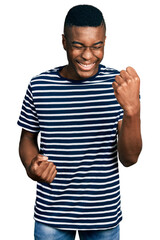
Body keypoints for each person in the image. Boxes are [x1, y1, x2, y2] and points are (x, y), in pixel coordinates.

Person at [18, 4, 142, 240]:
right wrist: (30, 165)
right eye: (78, 46)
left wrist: (132, 111)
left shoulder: (119, 86)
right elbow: (27, 139)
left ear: (104, 41)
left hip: (103, 214)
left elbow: (130, 159)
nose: (88, 55)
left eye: (97, 46)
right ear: (64, 42)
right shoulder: (39, 85)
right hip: (50, 214)